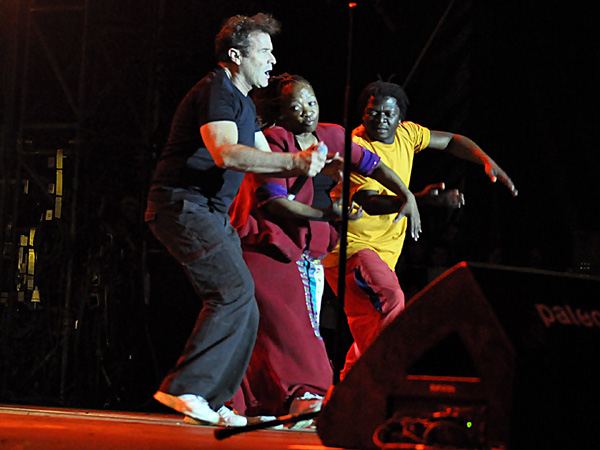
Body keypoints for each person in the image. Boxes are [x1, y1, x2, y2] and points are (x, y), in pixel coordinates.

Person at [144, 14, 329, 427]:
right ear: (235, 55)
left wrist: (321, 165)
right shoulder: (217, 90)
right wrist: (295, 161)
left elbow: (268, 161)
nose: (272, 60)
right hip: (184, 207)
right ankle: (186, 388)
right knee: (232, 292)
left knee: (246, 304)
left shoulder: (243, 102)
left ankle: (215, 399)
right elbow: (225, 152)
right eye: (264, 51)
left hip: (210, 213)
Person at [228, 74, 418, 426]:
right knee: (296, 328)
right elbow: (273, 203)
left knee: (283, 328)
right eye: (296, 106)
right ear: (280, 112)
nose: (307, 111)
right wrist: (329, 214)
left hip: (306, 251)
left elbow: (374, 165)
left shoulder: (332, 136)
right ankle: (306, 395)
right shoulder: (273, 141)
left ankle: (263, 401)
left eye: (311, 102)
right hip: (268, 245)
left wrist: (407, 195)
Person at [323, 80, 518, 380]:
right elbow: (370, 202)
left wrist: (485, 160)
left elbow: (451, 141)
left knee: (371, 327)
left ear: (400, 117)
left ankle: (348, 391)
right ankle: (387, 380)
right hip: (351, 250)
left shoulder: (407, 134)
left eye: (388, 114)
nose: (380, 120)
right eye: (373, 113)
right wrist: (422, 199)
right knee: (391, 301)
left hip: (382, 254)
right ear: (363, 114)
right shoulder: (357, 147)